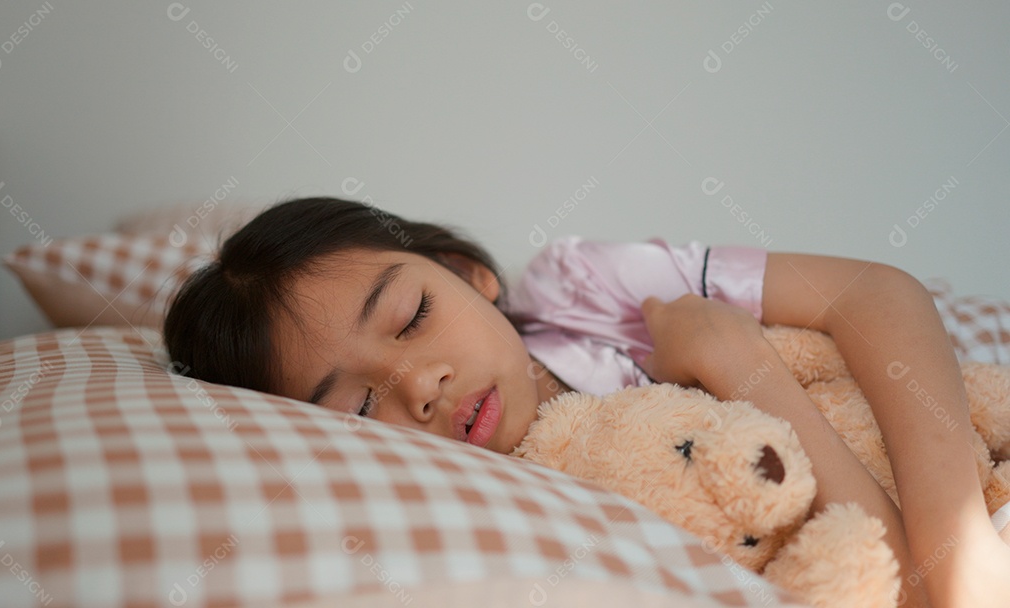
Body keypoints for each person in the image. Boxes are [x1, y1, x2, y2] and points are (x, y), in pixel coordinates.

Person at [164, 196, 1010, 608]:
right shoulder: (513, 507)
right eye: (356, 408)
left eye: (412, 316)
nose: (418, 386)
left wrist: (957, 541)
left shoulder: (584, 293)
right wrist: (743, 363)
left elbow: (875, 293)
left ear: (467, 275)